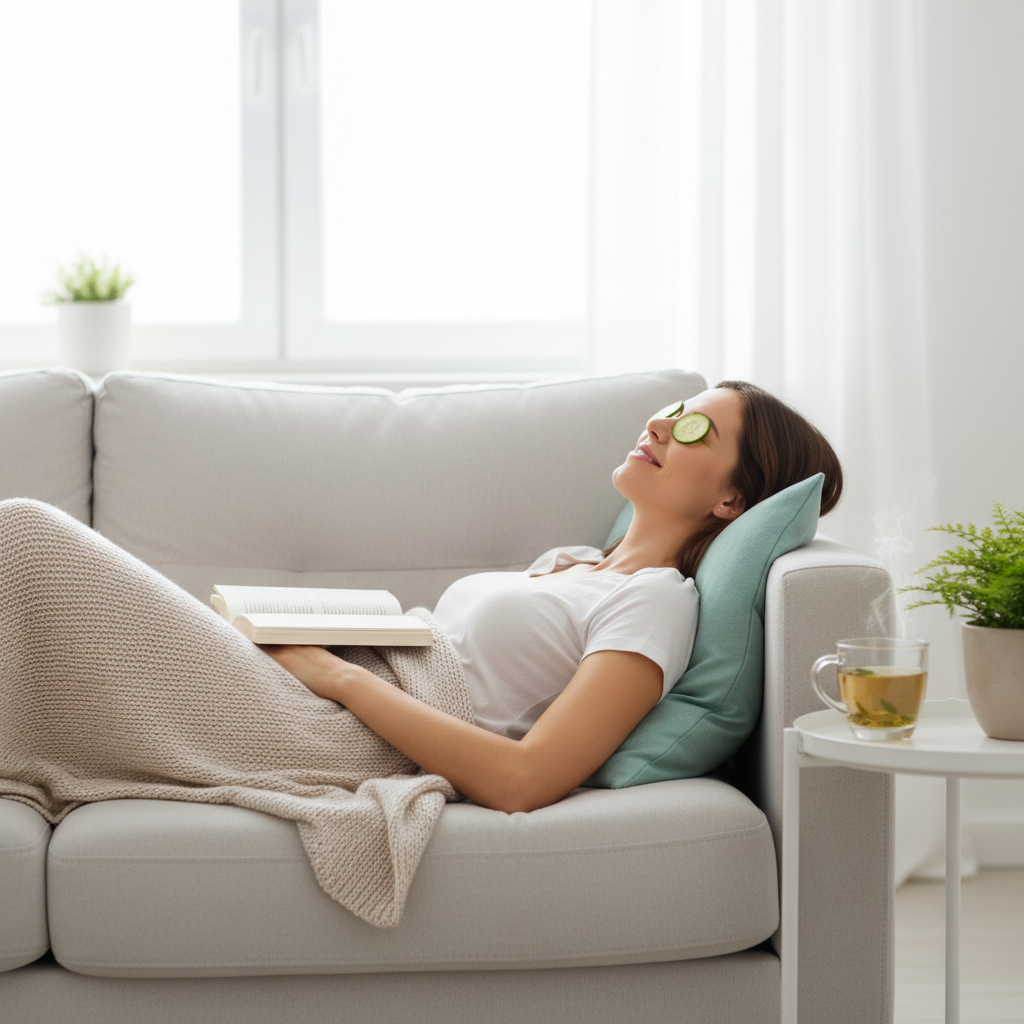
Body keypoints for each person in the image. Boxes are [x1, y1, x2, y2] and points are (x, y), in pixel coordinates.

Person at [263, 380, 843, 816]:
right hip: (314, 691)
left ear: (732, 501)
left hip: (337, 722)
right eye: (672, 412)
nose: (659, 425)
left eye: (695, 429)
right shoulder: (569, 563)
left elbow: (525, 779)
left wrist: (334, 675)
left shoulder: (654, 603)